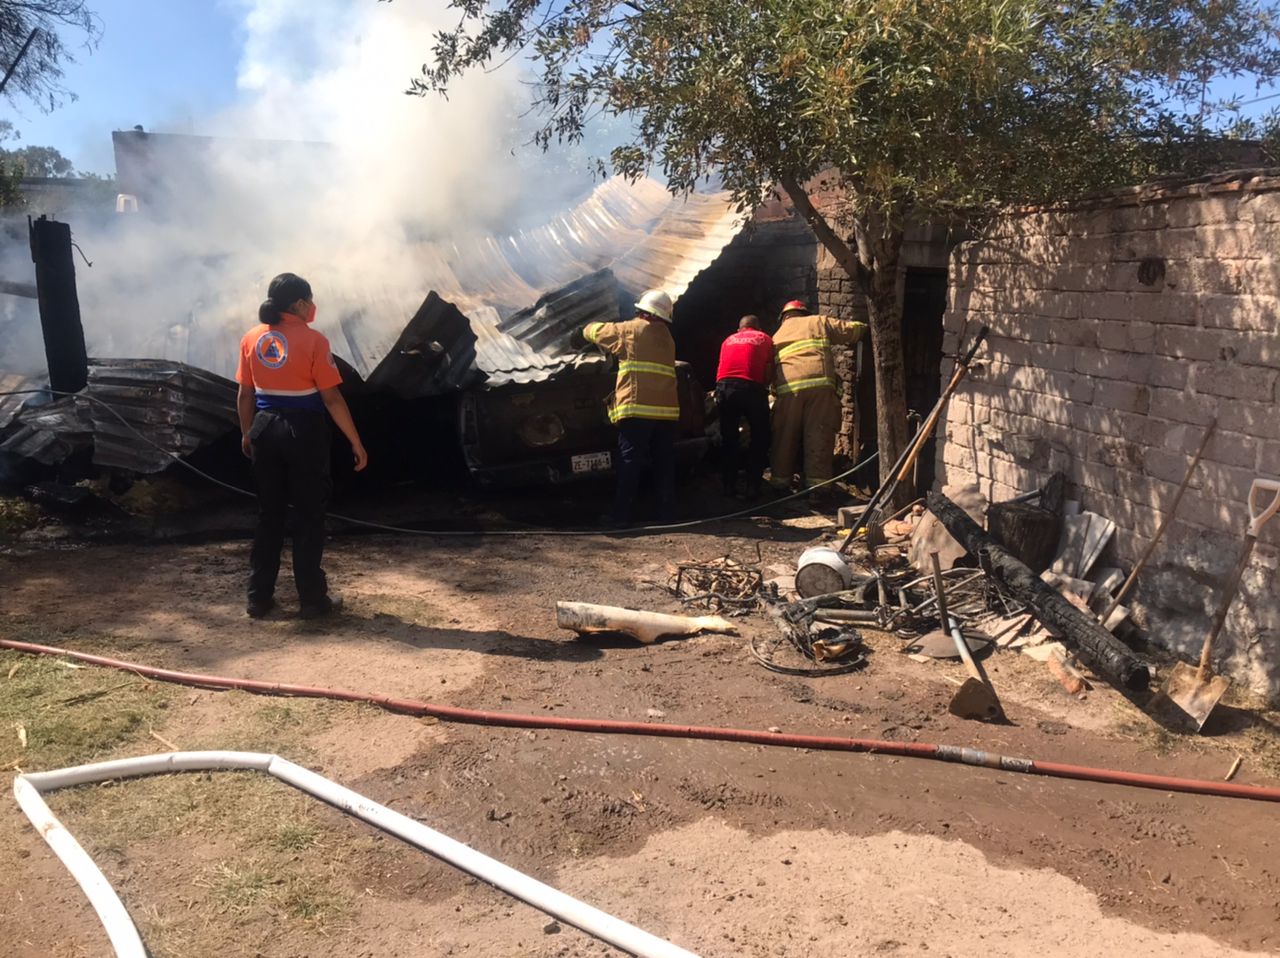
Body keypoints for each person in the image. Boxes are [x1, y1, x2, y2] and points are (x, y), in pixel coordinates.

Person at [236, 272, 368, 619]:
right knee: (309, 516)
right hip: (303, 432)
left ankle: (258, 598)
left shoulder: (252, 338)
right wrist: (355, 440)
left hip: (265, 429)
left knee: (269, 515)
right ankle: (312, 600)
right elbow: (332, 398)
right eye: (310, 299)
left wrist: (247, 432)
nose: (313, 305)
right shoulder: (314, 341)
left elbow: (245, 393)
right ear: (298, 304)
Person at [582, 289, 680, 525]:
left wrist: (582, 329)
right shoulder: (667, 337)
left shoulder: (631, 330)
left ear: (642, 312)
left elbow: (595, 331)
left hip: (638, 410)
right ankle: (666, 514)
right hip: (666, 412)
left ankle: (621, 516)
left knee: (630, 463)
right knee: (664, 463)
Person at [770, 299, 866, 493]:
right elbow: (850, 330)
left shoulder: (776, 336)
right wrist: (866, 326)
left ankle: (780, 484)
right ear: (804, 313)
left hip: (788, 392)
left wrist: (774, 392)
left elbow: (771, 371)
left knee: (785, 436)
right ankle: (818, 489)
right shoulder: (817, 321)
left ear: (784, 317)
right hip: (820, 389)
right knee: (818, 435)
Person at [715, 314, 774, 497]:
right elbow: (769, 371)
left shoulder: (728, 340)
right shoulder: (764, 338)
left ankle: (728, 486)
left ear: (740, 328)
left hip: (725, 387)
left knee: (729, 437)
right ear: (758, 328)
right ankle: (753, 486)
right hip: (751, 387)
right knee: (760, 436)